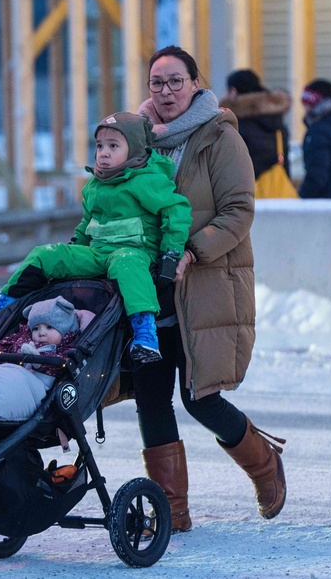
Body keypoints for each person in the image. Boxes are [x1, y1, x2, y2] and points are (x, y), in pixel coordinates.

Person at [130, 45, 286, 533]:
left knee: (200, 396)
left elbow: (238, 211)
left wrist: (192, 251)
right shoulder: (136, 139)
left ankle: (265, 466)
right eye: (158, 82)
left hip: (205, 284)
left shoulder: (219, 137)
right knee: (151, 397)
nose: (167, 91)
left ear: (196, 84)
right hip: (150, 288)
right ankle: (173, 513)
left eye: (176, 81)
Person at [0, 112, 192, 362]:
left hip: (135, 252)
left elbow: (176, 210)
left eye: (113, 146)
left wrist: (171, 253)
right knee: (45, 254)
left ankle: (145, 332)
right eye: (99, 146)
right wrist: (74, 251)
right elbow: (88, 223)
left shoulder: (146, 181)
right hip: (97, 253)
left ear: (135, 150)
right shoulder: (95, 184)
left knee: (127, 263)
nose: (103, 153)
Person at [219, 69, 292, 180]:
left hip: (247, 190)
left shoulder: (236, 125)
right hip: (278, 192)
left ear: (233, 92)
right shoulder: (278, 122)